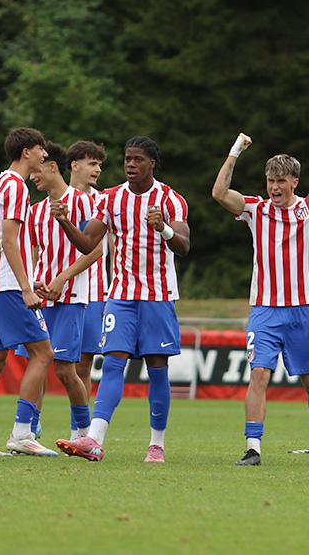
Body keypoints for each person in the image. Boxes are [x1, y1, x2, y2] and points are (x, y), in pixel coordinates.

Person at [212, 133, 309, 467]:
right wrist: (235, 150)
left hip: (301, 311)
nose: (274, 188)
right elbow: (219, 193)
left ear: (295, 181)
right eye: (270, 181)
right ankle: (253, 449)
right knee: (259, 375)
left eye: (281, 181)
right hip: (264, 309)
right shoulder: (255, 210)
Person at [53, 136, 190, 463]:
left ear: (151, 163)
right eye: (127, 159)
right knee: (113, 363)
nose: (130, 164)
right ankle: (94, 440)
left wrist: (165, 229)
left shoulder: (170, 199)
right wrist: (65, 221)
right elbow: (88, 243)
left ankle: (156, 444)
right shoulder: (112, 199)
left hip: (158, 296)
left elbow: (184, 245)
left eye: (137, 159)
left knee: (157, 369)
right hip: (121, 296)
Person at [0, 127, 57, 457]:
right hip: (8, 284)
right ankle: (22, 433)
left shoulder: (0, 182)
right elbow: (7, 240)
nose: (45, 156)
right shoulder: (15, 186)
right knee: (43, 354)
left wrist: (29, 278)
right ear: (27, 152)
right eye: (42, 150)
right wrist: (26, 288)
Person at [23, 141, 97, 443]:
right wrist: (35, 281)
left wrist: (63, 279)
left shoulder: (83, 202)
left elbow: (95, 251)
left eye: (37, 170)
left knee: (67, 369)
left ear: (53, 166)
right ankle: (27, 431)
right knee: (36, 365)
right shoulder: (34, 211)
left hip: (71, 298)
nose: (32, 176)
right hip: (41, 299)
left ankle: (84, 434)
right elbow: (34, 253)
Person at [64, 140, 109, 399]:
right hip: (59, 293)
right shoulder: (58, 201)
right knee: (45, 359)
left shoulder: (103, 202)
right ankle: (29, 427)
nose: (97, 170)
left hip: (93, 292)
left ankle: (79, 432)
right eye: (92, 163)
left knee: (83, 364)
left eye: (99, 165)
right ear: (74, 165)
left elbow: (106, 249)